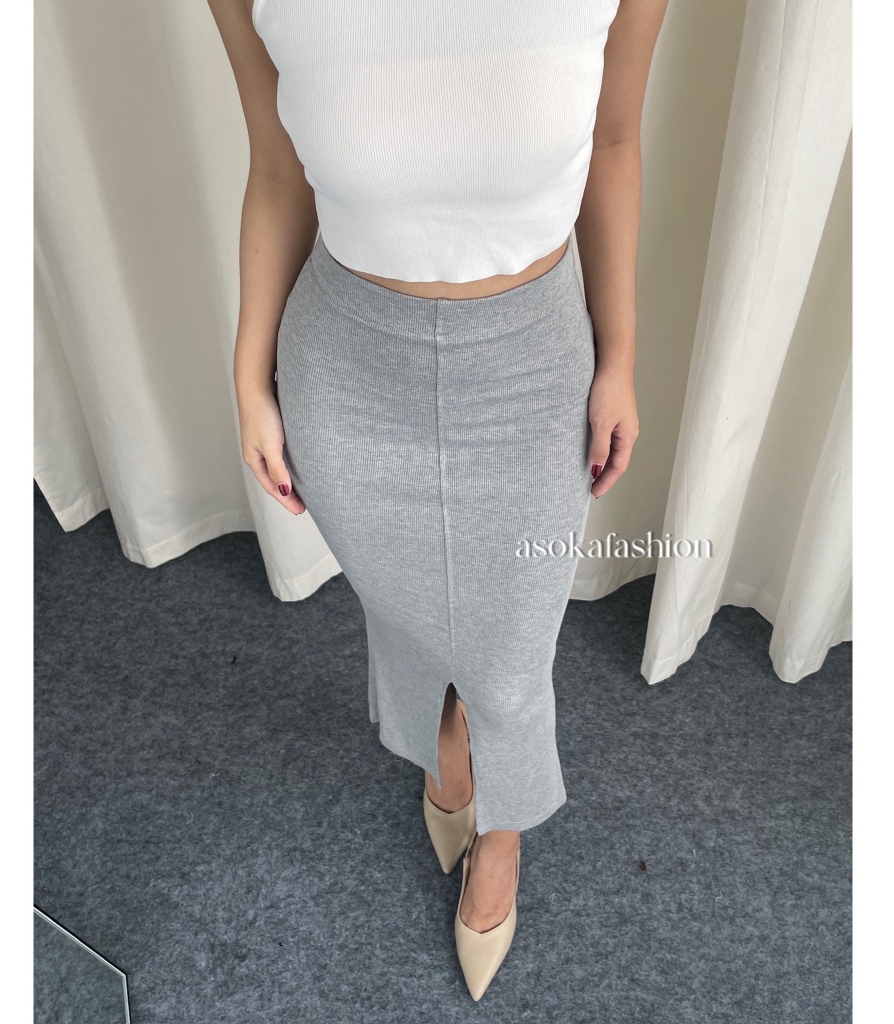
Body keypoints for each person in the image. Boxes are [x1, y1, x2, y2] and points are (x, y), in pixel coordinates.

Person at [208, 0, 667, 1001]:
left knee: (512, 654)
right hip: (346, 364)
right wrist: (248, 376)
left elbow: (615, 140)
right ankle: (442, 744)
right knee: (401, 608)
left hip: (532, 365)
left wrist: (620, 356)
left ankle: (500, 831)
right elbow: (277, 169)